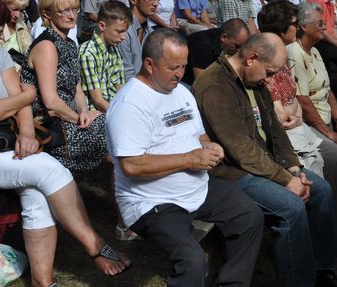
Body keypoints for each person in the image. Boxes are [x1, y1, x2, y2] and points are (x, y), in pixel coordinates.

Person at [0, 0, 130, 286]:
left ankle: (43, 282)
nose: (1, 37)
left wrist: (25, 131)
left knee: (36, 193)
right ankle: (95, 245)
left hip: (4, 139)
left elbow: (17, 101)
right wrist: (28, 95)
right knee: (47, 169)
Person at [193, 33, 337, 287]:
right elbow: (241, 150)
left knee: (321, 190)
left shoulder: (254, 79)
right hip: (232, 173)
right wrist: (286, 180)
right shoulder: (215, 85)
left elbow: (275, 129)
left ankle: (324, 271)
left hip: (263, 163)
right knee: (290, 207)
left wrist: (293, 166)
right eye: (269, 72)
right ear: (251, 58)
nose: (269, 79)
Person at [106, 28, 263, 287]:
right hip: (151, 201)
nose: (180, 74)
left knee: (249, 216)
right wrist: (191, 159)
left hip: (196, 186)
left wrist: (209, 146)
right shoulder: (130, 104)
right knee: (191, 259)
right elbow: (132, 166)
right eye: (172, 67)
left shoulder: (180, 91)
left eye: (183, 66)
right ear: (149, 64)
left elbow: (197, 133)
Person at [258, 1, 337, 269]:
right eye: (294, 23)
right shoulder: (283, 54)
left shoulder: (303, 52)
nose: (297, 26)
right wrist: (319, 127)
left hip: (301, 125)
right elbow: (283, 101)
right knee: (336, 160)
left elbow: (306, 96)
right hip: (294, 131)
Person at [20, 0, 108, 173]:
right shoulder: (47, 46)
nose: (72, 15)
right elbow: (51, 102)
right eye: (64, 10)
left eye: (74, 9)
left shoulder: (68, 43)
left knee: (113, 122)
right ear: (47, 14)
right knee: (114, 129)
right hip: (52, 126)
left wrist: (84, 110)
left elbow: (77, 87)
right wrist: (79, 119)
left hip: (70, 117)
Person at [79, 1, 131, 112]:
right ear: (102, 26)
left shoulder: (114, 49)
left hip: (113, 107)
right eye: (119, 31)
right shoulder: (88, 53)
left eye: (125, 32)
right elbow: (97, 100)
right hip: (96, 113)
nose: (124, 37)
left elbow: (120, 87)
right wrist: (119, 115)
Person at [184, 18, 250, 85]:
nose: (238, 51)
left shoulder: (221, 41)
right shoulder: (204, 46)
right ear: (224, 37)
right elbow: (200, 82)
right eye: (237, 46)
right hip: (185, 82)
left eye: (242, 47)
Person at [119, 0, 158, 81]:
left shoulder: (150, 32)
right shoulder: (122, 31)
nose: (156, 3)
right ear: (133, 0)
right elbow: (126, 74)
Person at [0, 0, 33, 69]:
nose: (18, 15)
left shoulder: (21, 23)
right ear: (3, 4)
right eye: (14, 9)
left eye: (21, 10)